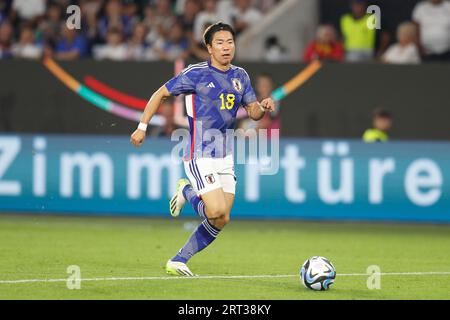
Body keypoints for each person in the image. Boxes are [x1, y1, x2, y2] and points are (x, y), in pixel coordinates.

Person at [130, 22, 275, 276]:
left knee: (223, 217)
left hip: (226, 155)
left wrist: (262, 106)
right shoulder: (195, 73)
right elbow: (159, 94)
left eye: (229, 41)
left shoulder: (240, 76)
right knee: (215, 210)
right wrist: (142, 126)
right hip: (200, 154)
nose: (226, 47)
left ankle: (178, 260)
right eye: (219, 42)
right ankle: (187, 189)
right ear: (209, 48)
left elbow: (252, 112)